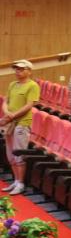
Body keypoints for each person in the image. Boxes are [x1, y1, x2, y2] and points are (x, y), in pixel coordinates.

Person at [1, 60, 40, 196]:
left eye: (21, 69)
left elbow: (29, 105)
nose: (18, 71)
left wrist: (13, 115)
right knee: (10, 153)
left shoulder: (32, 85)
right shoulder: (12, 84)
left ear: (29, 71)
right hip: (9, 122)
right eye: (16, 69)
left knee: (19, 154)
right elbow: (5, 101)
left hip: (22, 123)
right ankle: (16, 180)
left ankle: (21, 183)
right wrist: (7, 113)